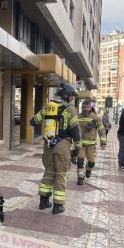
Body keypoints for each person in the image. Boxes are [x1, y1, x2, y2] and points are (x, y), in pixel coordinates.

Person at [30, 83, 81, 214]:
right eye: (71, 96)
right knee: (60, 174)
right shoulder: (71, 109)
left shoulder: (48, 107)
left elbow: (33, 122)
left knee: (49, 172)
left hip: (48, 145)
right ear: (66, 95)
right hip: (62, 146)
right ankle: (58, 206)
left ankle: (43, 201)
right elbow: (75, 130)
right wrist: (78, 146)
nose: (71, 98)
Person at [76, 101, 107, 185]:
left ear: (90, 108)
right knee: (80, 162)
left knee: (91, 162)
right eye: (84, 107)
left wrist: (103, 142)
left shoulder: (95, 118)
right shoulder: (77, 117)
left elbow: (101, 130)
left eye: (88, 107)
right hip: (80, 145)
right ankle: (80, 178)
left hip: (91, 146)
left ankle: (88, 169)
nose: (86, 109)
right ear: (82, 107)